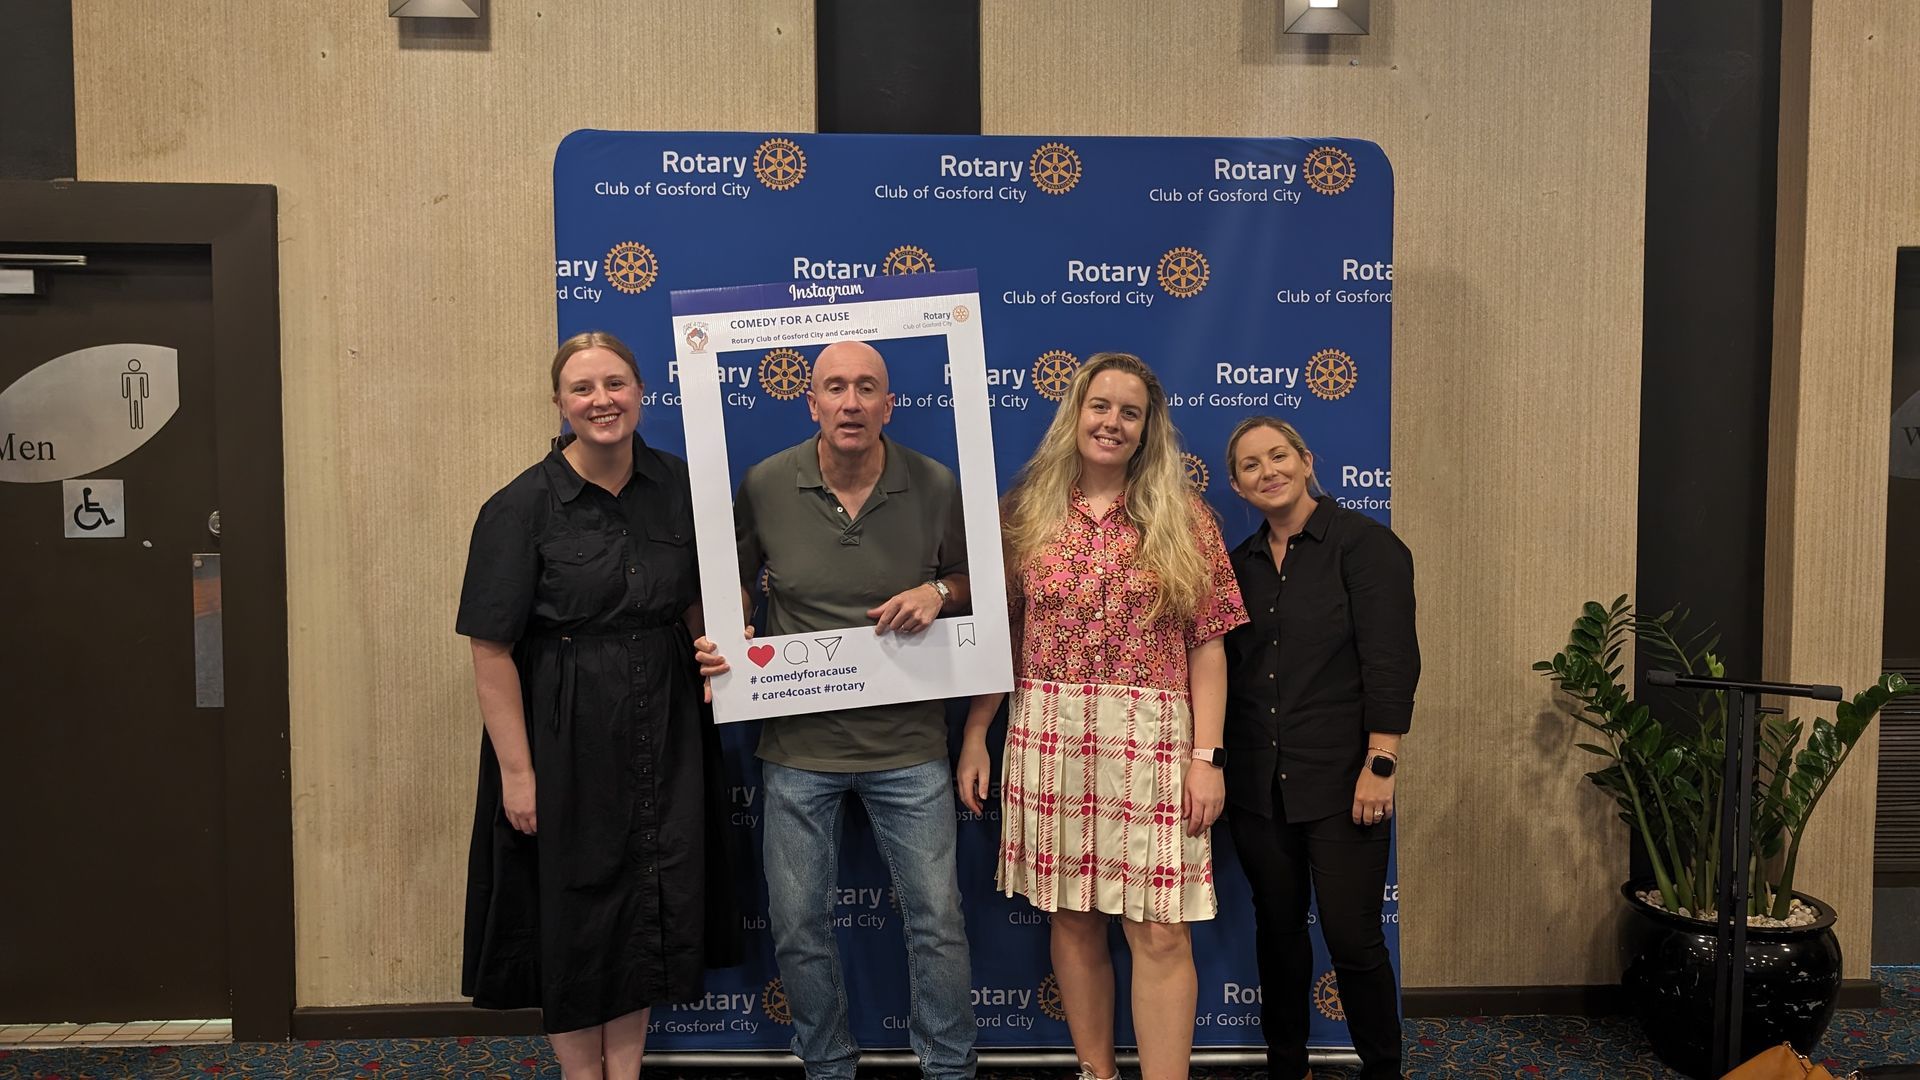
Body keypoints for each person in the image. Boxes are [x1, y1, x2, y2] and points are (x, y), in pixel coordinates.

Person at [956, 352, 1248, 1080]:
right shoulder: (1024, 513)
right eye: (1100, 406)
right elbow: (1001, 637)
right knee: (1073, 917)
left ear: (1148, 430)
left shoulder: (1186, 517)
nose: (1112, 422)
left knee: (1159, 929)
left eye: (1129, 412)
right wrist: (974, 735)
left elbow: (1208, 647)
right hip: (1047, 731)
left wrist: (1206, 759)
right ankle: (1096, 1071)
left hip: (1152, 741)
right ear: (1075, 415)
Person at [456, 331, 737, 1080]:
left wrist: (714, 643)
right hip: (563, 732)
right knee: (578, 911)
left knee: (650, 890)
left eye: (615, 384)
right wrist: (519, 775)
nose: (601, 400)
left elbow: (701, 602)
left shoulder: (681, 486)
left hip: (668, 724)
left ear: (642, 392)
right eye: (582, 389)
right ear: (559, 404)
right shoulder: (519, 508)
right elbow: (490, 651)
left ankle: (628, 1070)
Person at [696, 340, 977, 1080]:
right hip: (796, 747)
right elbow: (727, 586)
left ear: (890, 404)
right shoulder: (764, 482)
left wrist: (939, 593)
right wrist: (734, 634)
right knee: (797, 928)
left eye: (866, 388)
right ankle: (826, 1066)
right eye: (834, 388)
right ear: (810, 401)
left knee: (938, 924)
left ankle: (949, 1069)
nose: (850, 402)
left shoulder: (938, 484)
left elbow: (975, 581)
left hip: (910, 744)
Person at [1218, 417, 1419, 1080]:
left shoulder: (1366, 547)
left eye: (1278, 456)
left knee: (1353, 940)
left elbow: (1390, 662)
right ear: (1237, 485)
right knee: (1277, 935)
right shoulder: (1237, 566)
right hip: (1257, 787)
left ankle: (1383, 1069)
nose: (1267, 471)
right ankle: (1287, 1066)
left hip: (1345, 784)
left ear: (1305, 461)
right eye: (1251, 465)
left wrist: (1381, 764)